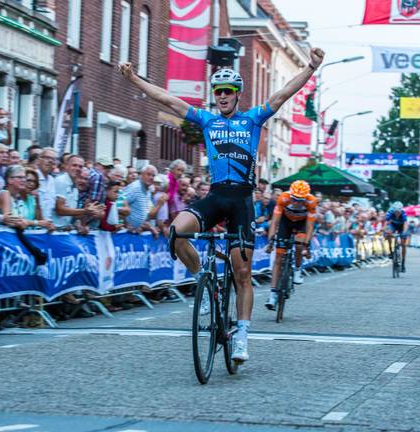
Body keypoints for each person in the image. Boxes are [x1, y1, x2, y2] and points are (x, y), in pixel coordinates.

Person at [119, 46, 325, 363]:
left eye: (228, 91)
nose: (223, 95)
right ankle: (202, 276)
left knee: (242, 275)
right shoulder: (206, 121)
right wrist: (132, 78)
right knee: (176, 232)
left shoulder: (253, 119)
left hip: (242, 200)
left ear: (237, 94)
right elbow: (167, 100)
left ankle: (242, 336)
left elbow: (284, 93)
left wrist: (311, 67)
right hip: (215, 196)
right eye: (218, 91)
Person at [264, 180, 317, 310]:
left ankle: (298, 269)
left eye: (300, 200)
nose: (297, 203)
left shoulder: (311, 201)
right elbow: (275, 222)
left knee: (299, 244)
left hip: (302, 223)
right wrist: (271, 241)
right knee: (278, 257)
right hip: (285, 222)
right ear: (290, 195)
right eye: (294, 199)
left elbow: (310, 226)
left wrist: (306, 244)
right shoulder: (283, 198)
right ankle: (272, 293)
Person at [385, 201, 409, 273]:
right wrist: (387, 231)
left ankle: (403, 263)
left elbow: (405, 224)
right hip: (393, 226)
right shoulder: (390, 213)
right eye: (396, 212)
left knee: (403, 244)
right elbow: (387, 223)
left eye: (398, 212)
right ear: (393, 210)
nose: (397, 213)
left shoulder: (403, 214)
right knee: (388, 234)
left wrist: (404, 232)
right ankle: (391, 251)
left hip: (401, 227)